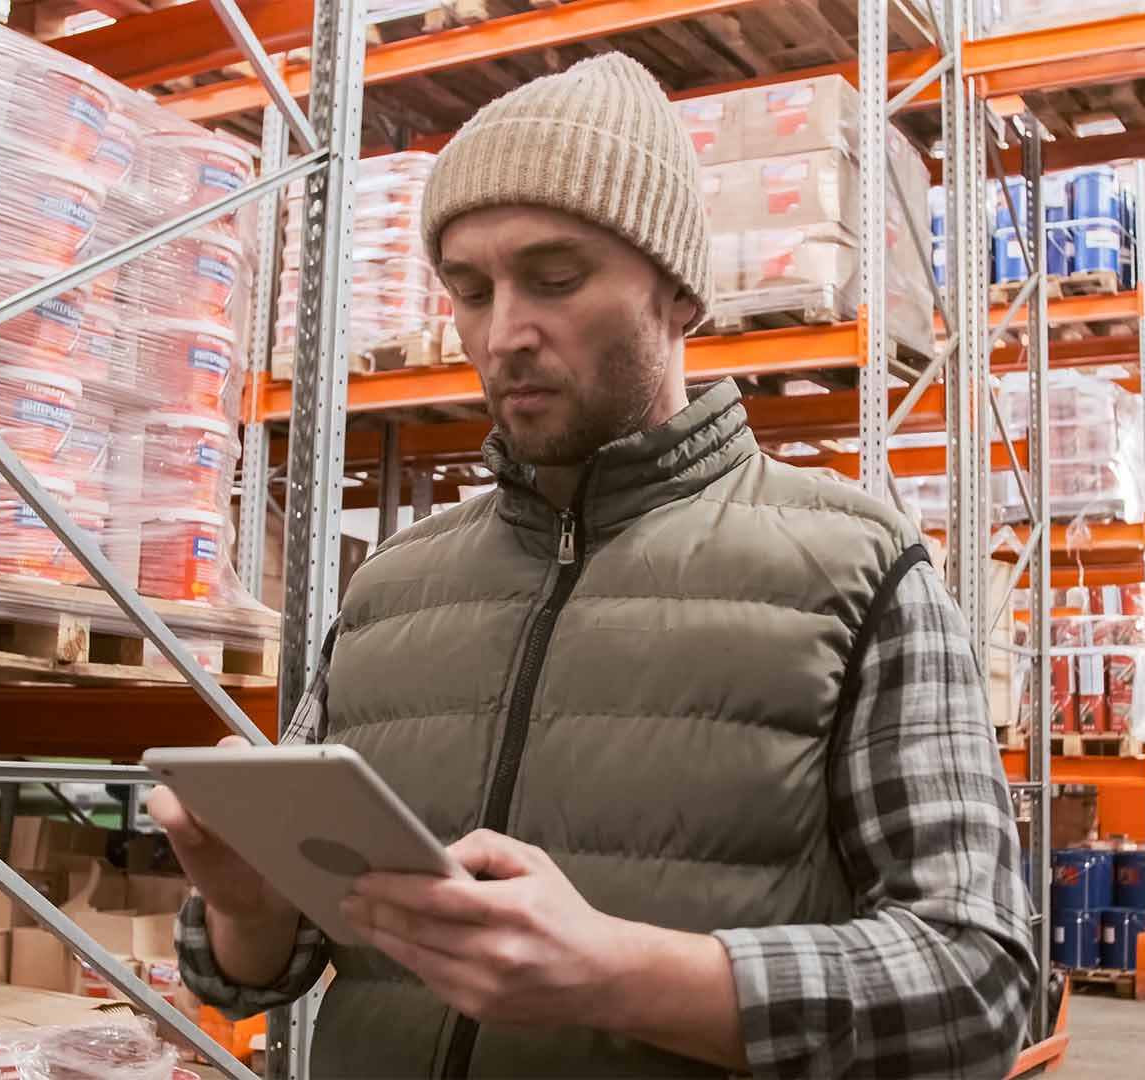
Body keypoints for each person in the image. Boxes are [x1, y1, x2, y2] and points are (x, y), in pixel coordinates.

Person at [150, 54, 1034, 1078]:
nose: (504, 334)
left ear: (678, 294)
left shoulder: (857, 569)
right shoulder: (392, 588)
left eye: (556, 278)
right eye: (471, 290)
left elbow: (978, 982)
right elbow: (263, 967)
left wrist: (622, 976)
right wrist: (247, 903)